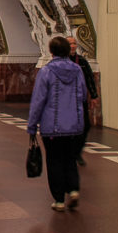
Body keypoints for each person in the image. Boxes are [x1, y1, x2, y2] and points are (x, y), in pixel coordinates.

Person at [27, 36, 87, 211]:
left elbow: (38, 101)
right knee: (70, 159)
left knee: (54, 161)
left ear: (51, 51)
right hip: (74, 126)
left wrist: (32, 125)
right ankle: (74, 189)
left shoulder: (46, 72)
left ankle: (59, 199)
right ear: (68, 50)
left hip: (52, 127)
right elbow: (83, 95)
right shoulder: (77, 70)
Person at [66, 36, 98, 166]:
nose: (73, 46)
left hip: (80, 99)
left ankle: (77, 152)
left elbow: (89, 78)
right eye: (70, 44)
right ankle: (68, 152)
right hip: (65, 102)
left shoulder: (83, 61)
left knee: (85, 126)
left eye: (74, 43)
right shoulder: (60, 62)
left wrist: (94, 96)